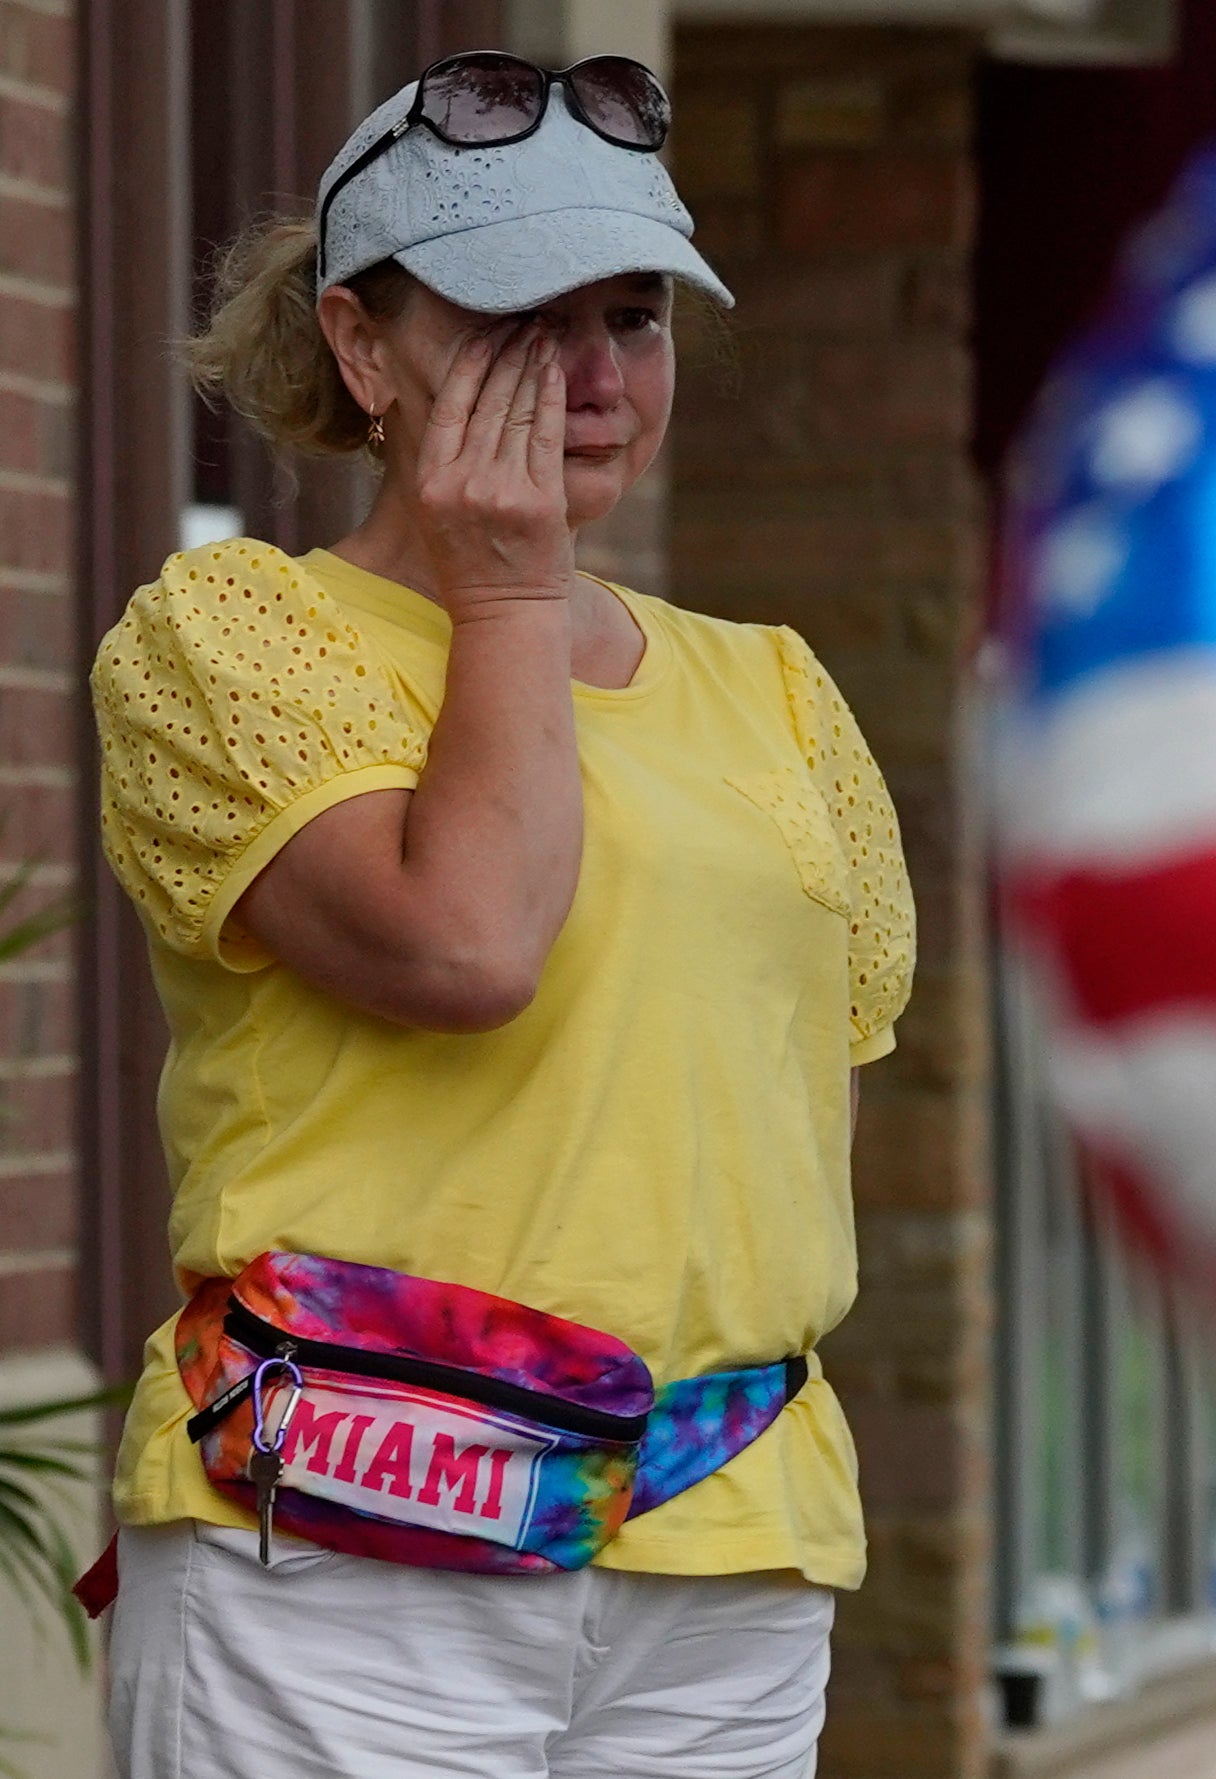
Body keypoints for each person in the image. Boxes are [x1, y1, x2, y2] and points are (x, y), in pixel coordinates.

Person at [88, 50, 913, 1779]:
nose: (593, 376)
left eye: (635, 316)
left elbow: (784, 1124)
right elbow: (463, 950)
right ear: (362, 345)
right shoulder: (229, 635)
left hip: (726, 1544)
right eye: (519, 319)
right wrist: (515, 588)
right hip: (342, 1540)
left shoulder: (773, 687)